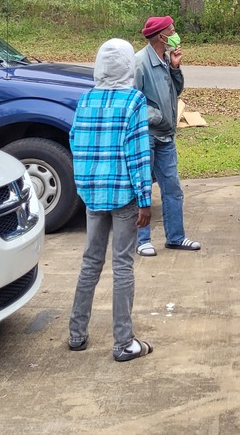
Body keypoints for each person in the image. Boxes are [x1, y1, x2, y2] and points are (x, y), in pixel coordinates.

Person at [68, 38, 154, 361]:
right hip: (124, 195)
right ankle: (123, 342)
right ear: (129, 65)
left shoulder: (85, 100)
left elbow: (75, 141)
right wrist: (144, 199)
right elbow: (138, 155)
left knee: (90, 261)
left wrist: (84, 184)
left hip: (93, 195)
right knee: (122, 264)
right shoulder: (133, 102)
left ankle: (77, 334)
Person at [134, 15, 201, 256]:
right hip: (147, 136)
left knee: (172, 188)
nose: (176, 35)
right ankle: (142, 240)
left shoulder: (165, 59)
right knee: (143, 187)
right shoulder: (140, 63)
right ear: (162, 36)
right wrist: (158, 117)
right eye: (172, 31)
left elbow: (176, 90)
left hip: (166, 137)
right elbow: (133, 100)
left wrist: (175, 68)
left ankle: (176, 237)